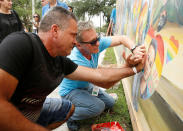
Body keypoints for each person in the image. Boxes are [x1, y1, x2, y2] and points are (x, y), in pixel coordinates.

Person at [0, 6, 145, 131]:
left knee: (68, 109)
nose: (75, 42)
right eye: (73, 35)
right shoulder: (21, 44)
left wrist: (131, 69)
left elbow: (102, 78)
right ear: (55, 30)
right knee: (95, 107)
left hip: (36, 110)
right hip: (13, 115)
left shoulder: (62, 62)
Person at [58, 21, 146, 131]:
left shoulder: (94, 43)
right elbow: (106, 83)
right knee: (98, 107)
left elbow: (122, 38)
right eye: (93, 42)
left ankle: (83, 104)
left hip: (86, 86)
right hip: (71, 91)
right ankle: (67, 116)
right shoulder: (76, 60)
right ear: (78, 44)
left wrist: (135, 49)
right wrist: (132, 69)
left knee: (110, 102)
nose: (98, 43)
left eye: (98, 38)